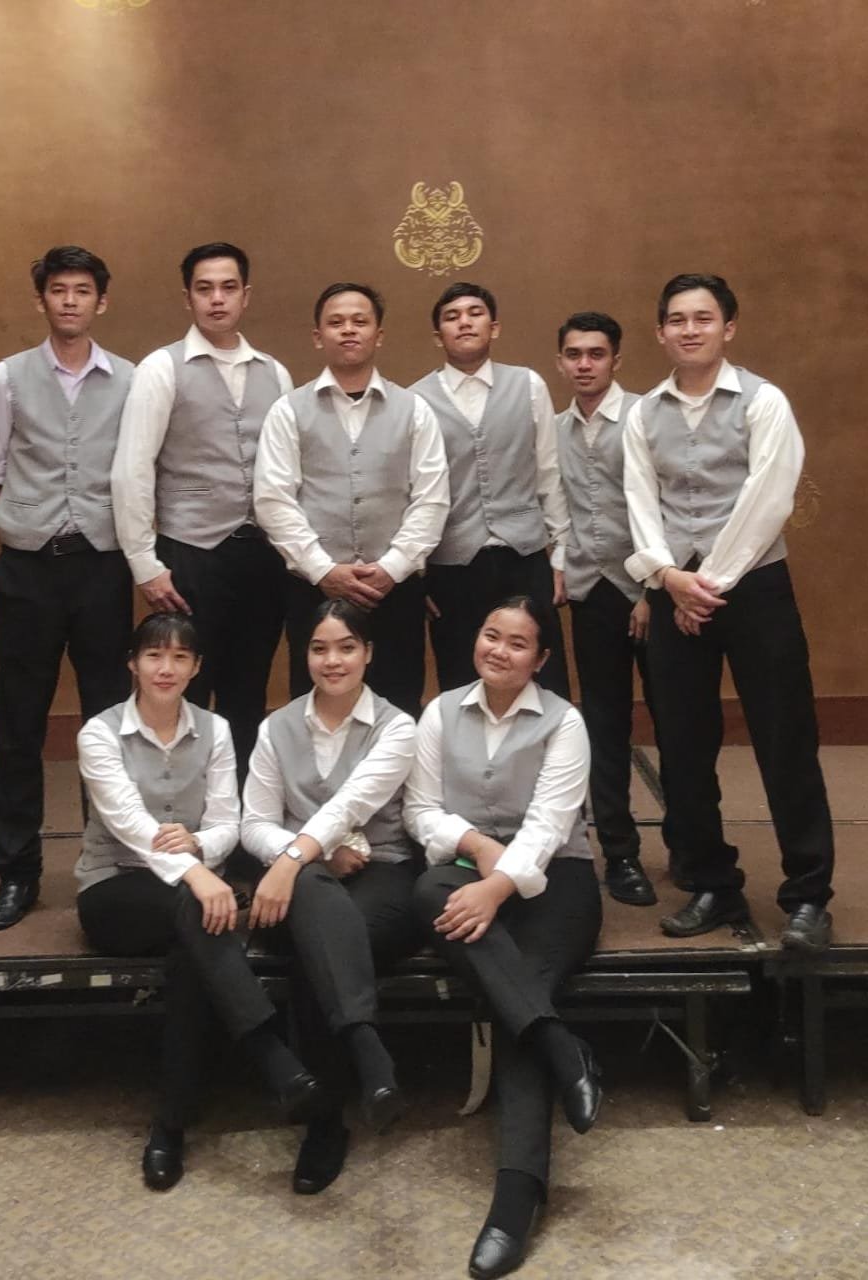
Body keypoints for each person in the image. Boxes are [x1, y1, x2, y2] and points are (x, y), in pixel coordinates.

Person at [75, 613, 324, 1192]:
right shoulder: (98, 733)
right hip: (115, 887)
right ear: (133, 663)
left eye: (180, 657)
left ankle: (170, 1124)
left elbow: (227, 823)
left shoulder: (215, 729)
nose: (166, 668)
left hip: (194, 899)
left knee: (192, 953)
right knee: (197, 912)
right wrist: (198, 873)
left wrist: (201, 849)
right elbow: (130, 824)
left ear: (196, 668)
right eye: (154, 655)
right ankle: (271, 1055)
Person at [623, 273, 834, 951]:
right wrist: (667, 577)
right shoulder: (642, 413)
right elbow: (639, 502)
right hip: (675, 584)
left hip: (754, 588)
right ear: (661, 333)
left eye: (703, 318)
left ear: (728, 328)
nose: (690, 330)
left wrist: (705, 583)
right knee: (684, 749)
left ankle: (808, 896)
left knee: (784, 741)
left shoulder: (763, 401)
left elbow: (769, 498)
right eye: (677, 320)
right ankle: (712, 882)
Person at [406, 596, 602, 1280]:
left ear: (540, 659)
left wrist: (496, 886)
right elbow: (421, 810)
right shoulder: (439, 713)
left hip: (557, 879)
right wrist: (478, 852)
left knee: (519, 994)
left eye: (518, 643)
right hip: (467, 867)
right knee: (427, 889)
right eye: (491, 635)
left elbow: (549, 827)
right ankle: (563, 1048)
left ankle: (514, 1201)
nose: (500, 650)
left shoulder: (565, 722)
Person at [0, 245, 134, 931]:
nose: (70, 300)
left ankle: (109, 865)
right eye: (59, 289)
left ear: (102, 301)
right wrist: (14, 527)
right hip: (28, 570)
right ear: (42, 299)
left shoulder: (130, 380)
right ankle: (17, 873)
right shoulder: (6, 377)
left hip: (102, 567)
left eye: (82, 290)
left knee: (110, 723)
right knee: (18, 725)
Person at [242, 600, 418, 1195]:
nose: (332, 660)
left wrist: (293, 856)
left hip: (381, 873)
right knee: (317, 908)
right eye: (319, 648)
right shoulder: (276, 727)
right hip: (302, 883)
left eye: (346, 647)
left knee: (321, 939)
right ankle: (368, 1055)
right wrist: (308, 857)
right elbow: (253, 823)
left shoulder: (397, 726)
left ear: (368, 652)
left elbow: (353, 803)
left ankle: (323, 1116)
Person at [111, 242, 292, 777]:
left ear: (246, 296)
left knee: (249, 691)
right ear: (187, 297)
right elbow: (132, 468)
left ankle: (240, 815)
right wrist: (145, 563)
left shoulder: (275, 373)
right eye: (204, 288)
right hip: (190, 553)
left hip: (262, 557)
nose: (217, 299)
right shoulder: (160, 368)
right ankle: (179, 813)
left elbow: (288, 473)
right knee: (183, 691)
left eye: (228, 288)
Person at [254, 282, 449, 719]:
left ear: (378, 335)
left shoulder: (414, 409)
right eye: (336, 322)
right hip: (313, 588)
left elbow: (432, 499)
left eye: (360, 321)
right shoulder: (288, 410)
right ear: (317, 336)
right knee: (315, 708)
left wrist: (392, 567)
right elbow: (273, 499)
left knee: (398, 704)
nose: (348, 330)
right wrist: (322, 569)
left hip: (395, 591)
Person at [556, 311, 671, 906]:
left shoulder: (646, 417)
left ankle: (690, 845)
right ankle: (620, 855)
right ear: (561, 362)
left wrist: (652, 590)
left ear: (616, 360)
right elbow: (554, 504)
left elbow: (668, 506)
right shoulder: (554, 429)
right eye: (574, 354)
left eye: (596, 354)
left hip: (651, 591)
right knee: (603, 725)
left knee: (676, 720)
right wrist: (561, 564)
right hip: (591, 591)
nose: (584, 364)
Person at [411, 282, 570, 697]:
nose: (464, 322)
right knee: (461, 678)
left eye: (475, 313)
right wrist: (416, 573)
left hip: (524, 556)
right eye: (452, 317)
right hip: (452, 564)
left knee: (542, 678)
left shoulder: (528, 385)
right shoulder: (415, 401)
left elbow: (548, 473)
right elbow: (411, 494)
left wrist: (561, 554)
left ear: (494, 327)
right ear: (438, 336)